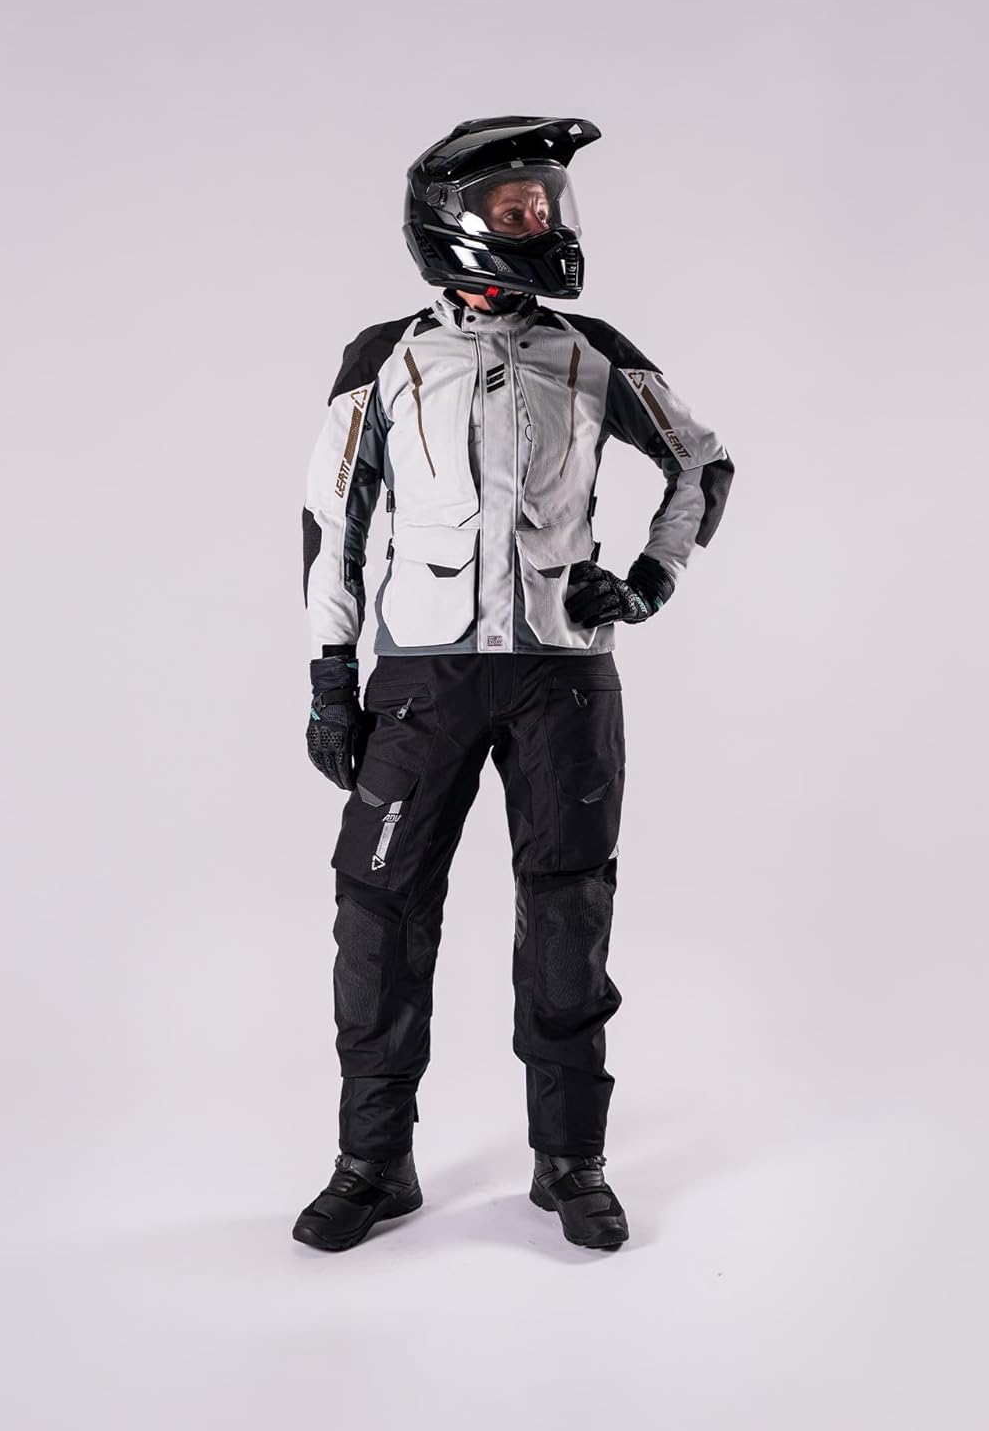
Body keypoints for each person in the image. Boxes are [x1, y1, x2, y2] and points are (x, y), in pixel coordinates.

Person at [293, 116, 734, 1252]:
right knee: (379, 917)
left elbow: (701, 461)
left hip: (562, 681)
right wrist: (332, 674)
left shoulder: (592, 353)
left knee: (568, 916)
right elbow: (332, 523)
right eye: (520, 207)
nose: (544, 221)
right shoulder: (384, 358)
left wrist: (650, 579)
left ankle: (570, 1162)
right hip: (422, 683)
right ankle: (373, 1164)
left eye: (548, 204)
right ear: (455, 221)